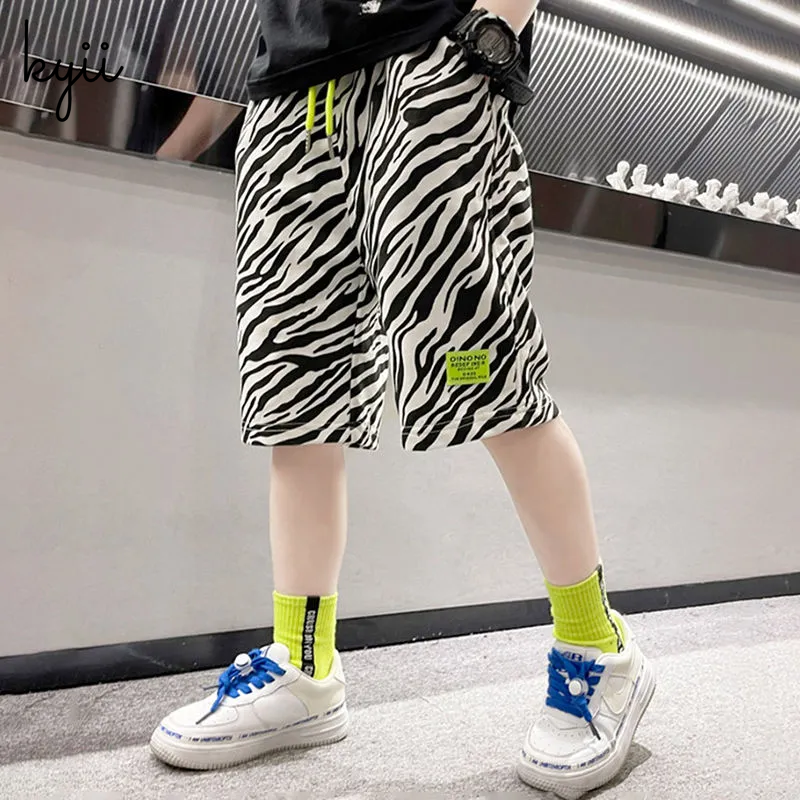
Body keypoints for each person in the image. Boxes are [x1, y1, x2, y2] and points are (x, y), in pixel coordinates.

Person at [149, 1, 656, 797]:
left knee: (485, 373)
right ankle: (304, 668)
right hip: (291, 96)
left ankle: (598, 649)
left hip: (431, 58)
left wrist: (485, 36)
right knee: (295, 393)